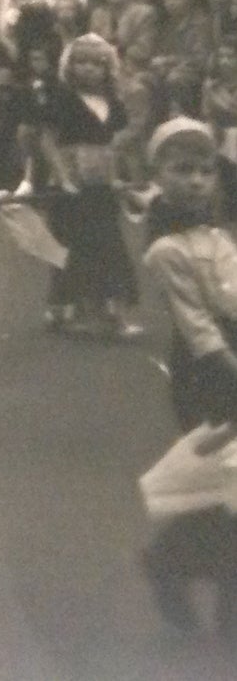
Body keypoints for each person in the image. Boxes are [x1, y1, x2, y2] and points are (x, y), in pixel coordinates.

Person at [138, 118, 237, 643]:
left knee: (227, 490)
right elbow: (198, 328)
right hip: (209, 374)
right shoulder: (167, 249)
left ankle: (178, 565)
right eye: (182, 170)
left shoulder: (219, 234)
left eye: (205, 171)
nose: (196, 181)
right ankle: (176, 566)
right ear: (158, 174)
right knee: (226, 483)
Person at [14, 29, 142, 339]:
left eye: (96, 64)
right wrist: (63, 177)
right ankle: (71, 309)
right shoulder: (63, 99)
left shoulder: (112, 102)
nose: (88, 69)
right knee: (73, 246)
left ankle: (112, 312)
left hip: (101, 183)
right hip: (70, 182)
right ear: (69, 66)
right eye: (81, 62)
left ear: (107, 67)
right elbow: (48, 141)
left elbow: (114, 145)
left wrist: (119, 178)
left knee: (109, 244)